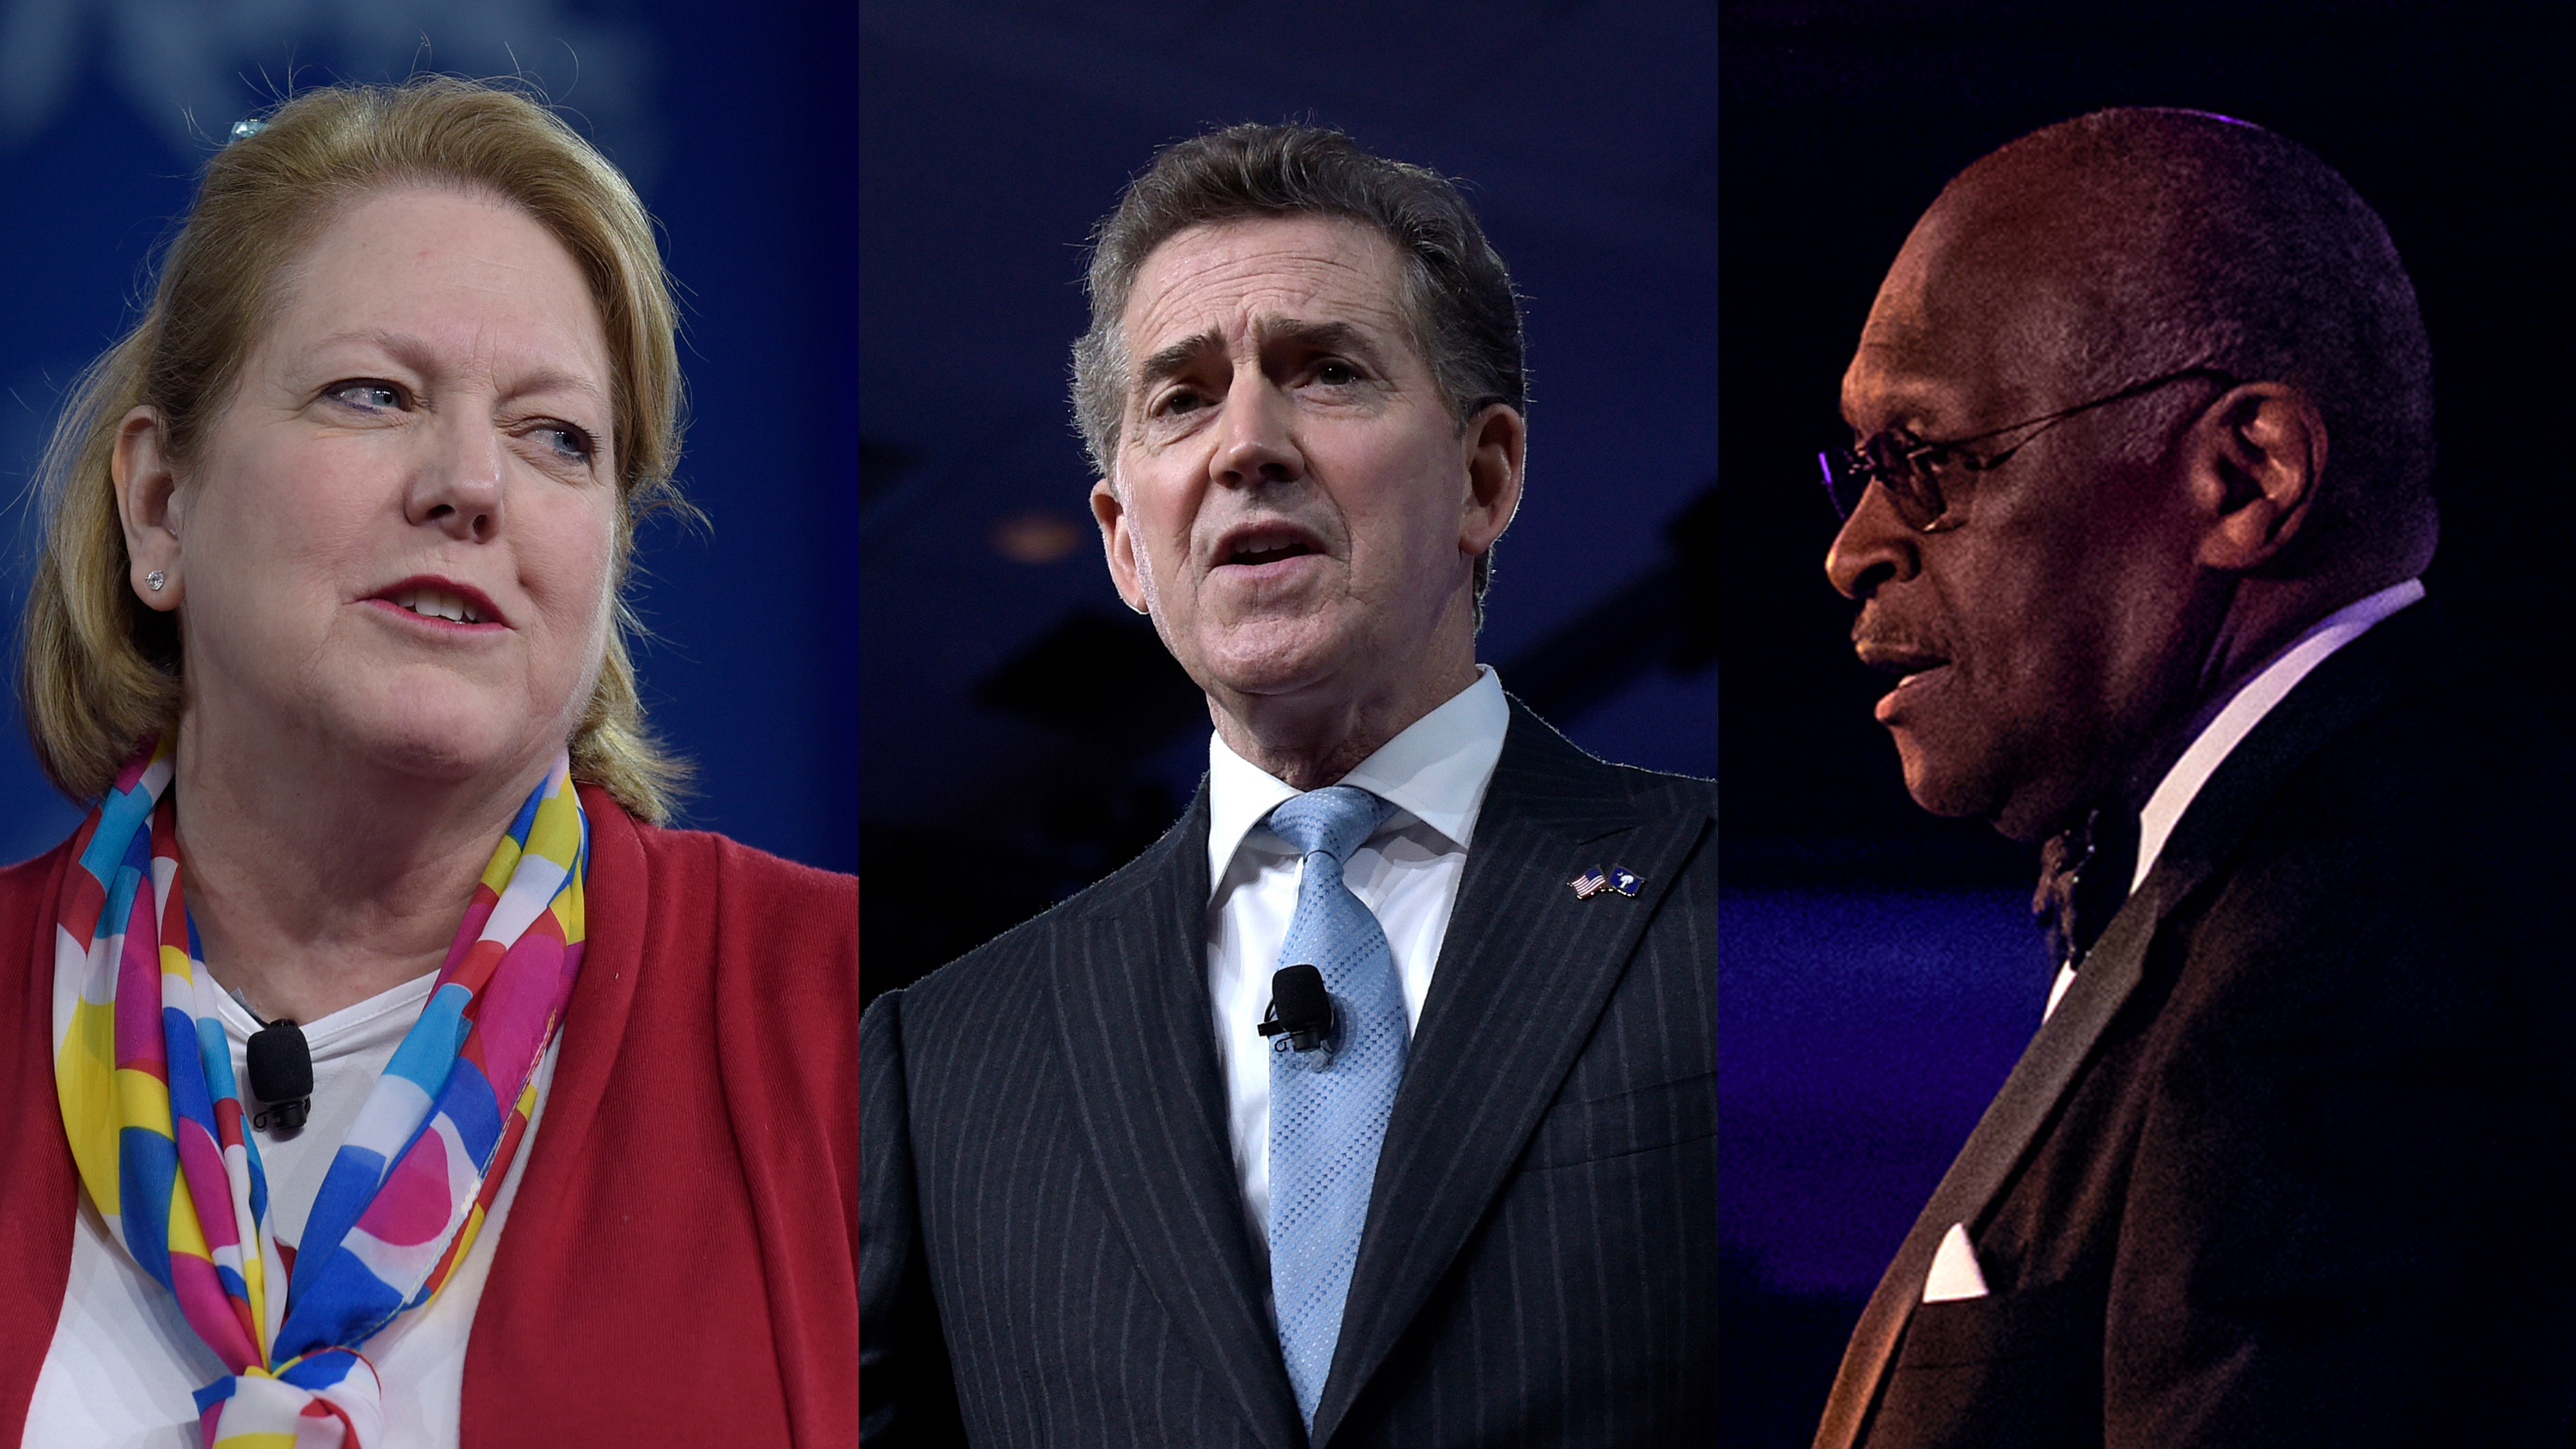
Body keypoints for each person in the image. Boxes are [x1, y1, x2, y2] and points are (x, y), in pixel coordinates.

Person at [0, 79, 858, 1446]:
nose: (472, 483)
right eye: (372, 394)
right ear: (162, 500)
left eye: (556, 436)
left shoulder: (849, 1015)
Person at [860, 124, 1717, 1447]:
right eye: (1182, 398)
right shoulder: (940, 1065)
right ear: (1125, 546)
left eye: (1326, 373)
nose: (1245, 443)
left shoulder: (1714, 907)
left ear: (1485, 477)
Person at [1807, 107, 2576, 1446]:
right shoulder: (2289, 890)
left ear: (2247, 474)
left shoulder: (2367, 940)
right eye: (1863, 472)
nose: (1854, 548)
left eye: (1924, 461)